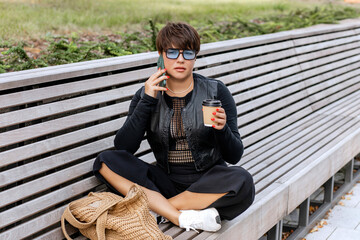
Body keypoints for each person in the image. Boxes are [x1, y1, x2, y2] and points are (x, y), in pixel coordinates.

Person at [93, 22, 255, 233]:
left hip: (208, 181)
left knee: (243, 181)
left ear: (195, 57)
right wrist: (147, 101)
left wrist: (222, 129)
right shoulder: (146, 94)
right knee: (105, 161)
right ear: (161, 55)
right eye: (172, 52)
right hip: (165, 181)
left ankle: (158, 210)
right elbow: (124, 147)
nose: (180, 59)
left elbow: (234, 156)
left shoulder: (216, 91)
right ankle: (181, 217)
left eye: (188, 53)